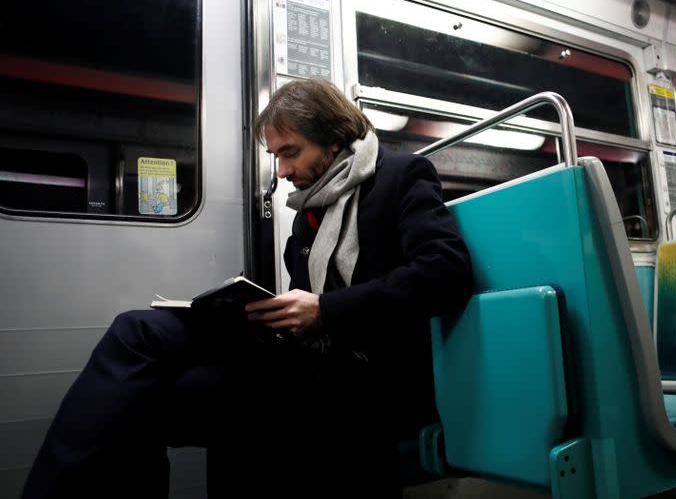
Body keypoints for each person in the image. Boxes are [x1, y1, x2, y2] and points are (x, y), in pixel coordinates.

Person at [21, 78, 473, 498]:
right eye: (276, 156)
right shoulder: (307, 215)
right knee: (137, 335)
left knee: (146, 402)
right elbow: (304, 307)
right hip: (308, 355)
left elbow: (444, 271)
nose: (282, 171)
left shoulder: (401, 177)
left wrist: (327, 310)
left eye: (289, 152)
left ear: (333, 139)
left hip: (365, 370)